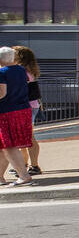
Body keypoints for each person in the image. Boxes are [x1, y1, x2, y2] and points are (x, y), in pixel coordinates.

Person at [0, 48, 33, 187]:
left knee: (8, 145)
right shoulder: (21, 70)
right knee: (3, 146)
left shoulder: (2, 72)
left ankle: (24, 175)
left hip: (6, 111)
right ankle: (0, 177)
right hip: (23, 109)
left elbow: (2, 93)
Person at [11, 45, 41, 179]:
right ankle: (25, 164)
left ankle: (33, 166)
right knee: (25, 137)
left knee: (28, 137)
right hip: (31, 105)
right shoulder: (29, 71)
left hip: (26, 107)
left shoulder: (22, 72)